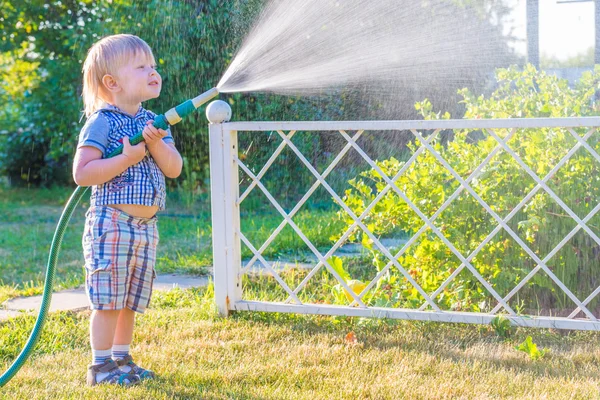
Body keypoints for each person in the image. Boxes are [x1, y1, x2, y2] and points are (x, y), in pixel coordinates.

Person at [72, 34, 183, 386]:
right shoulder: (102, 122)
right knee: (108, 298)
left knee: (131, 299)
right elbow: (82, 173)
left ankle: (121, 359)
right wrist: (125, 158)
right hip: (113, 223)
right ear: (112, 83)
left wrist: (156, 144)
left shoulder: (155, 120)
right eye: (141, 66)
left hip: (145, 227)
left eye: (153, 65)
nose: (152, 71)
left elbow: (174, 168)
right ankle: (100, 366)